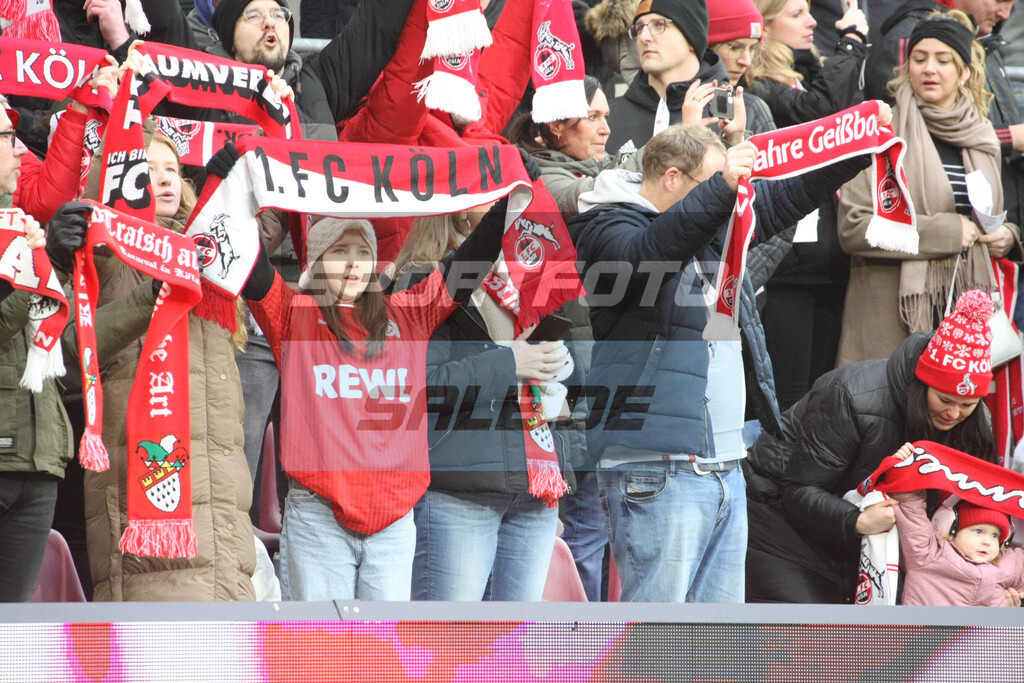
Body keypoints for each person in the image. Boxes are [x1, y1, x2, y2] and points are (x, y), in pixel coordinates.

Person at [567, 123, 872, 602]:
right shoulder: (607, 225)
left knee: (716, 642)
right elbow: (648, 255)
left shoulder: (711, 223)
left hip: (726, 465)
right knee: (656, 643)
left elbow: (784, 198)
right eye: (717, 180)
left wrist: (859, 149)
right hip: (658, 469)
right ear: (672, 178)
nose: (731, 193)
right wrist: (719, 189)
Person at [241, 196, 511, 601]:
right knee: (320, 651)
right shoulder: (292, 315)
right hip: (319, 517)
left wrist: (508, 200)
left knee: (381, 654)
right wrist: (230, 186)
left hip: (394, 520)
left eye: (363, 252)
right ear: (315, 262)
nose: (353, 263)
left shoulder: (408, 313)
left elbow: (469, 262)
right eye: (340, 252)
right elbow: (249, 263)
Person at [47, 126, 257, 601]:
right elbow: (62, 346)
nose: (161, 180)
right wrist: (61, 257)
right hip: (143, 508)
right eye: (144, 170)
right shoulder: (106, 257)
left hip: (224, 518)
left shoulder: (212, 261)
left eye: (172, 170)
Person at [744, 289, 1001, 603]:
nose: (954, 413)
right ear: (921, 385)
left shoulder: (977, 423)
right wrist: (856, 521)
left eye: (967, 404)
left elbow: (977, 506)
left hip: (875, 539)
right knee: (805, 633)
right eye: (945, 400)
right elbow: (799, 489)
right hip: (780, 520)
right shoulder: (851, 396)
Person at [388, 209, 575, 602]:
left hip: (533, 489)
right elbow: (420, 386)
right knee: (445, 645)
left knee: (510, 648)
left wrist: (551, 368)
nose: (519, 215)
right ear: (459, 215)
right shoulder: (419, 280)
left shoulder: (520, 282)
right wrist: (510, 363)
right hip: (460, 492)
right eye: (500, 205)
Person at [837, 11, 1021, 365]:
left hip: (964, 318)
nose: (929, 69)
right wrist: (946, 231)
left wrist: (1007, 236)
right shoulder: (881, 134)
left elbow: (993, 215)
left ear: (964, 72)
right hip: (892, 319)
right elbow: (854, 227)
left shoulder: (982, 138)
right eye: (919, 59)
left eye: (943, 60)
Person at [137, 0, 417, 140]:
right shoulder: (203, 81)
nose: (270, 23)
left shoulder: (319, 80)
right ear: (230, 38)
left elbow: (376, 28)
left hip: (314, 250)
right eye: (254, 15)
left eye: (279, 14)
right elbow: (164, 19)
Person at [604, 0, 773, 159]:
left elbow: (768, 188)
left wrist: (734, 141)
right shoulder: (606, 117)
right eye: (639, 28)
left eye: (659, 25)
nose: (644, 37)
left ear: (692, 37)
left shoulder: (744, 111)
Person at [891, 486, 1024, 606]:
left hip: (982, 633)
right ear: (950, 528)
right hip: (927, 631)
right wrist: (909, 465)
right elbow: (911, 507)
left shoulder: (1007, 564)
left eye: (994, 535)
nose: (987, 542)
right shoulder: (928, 552)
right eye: (978, 531)